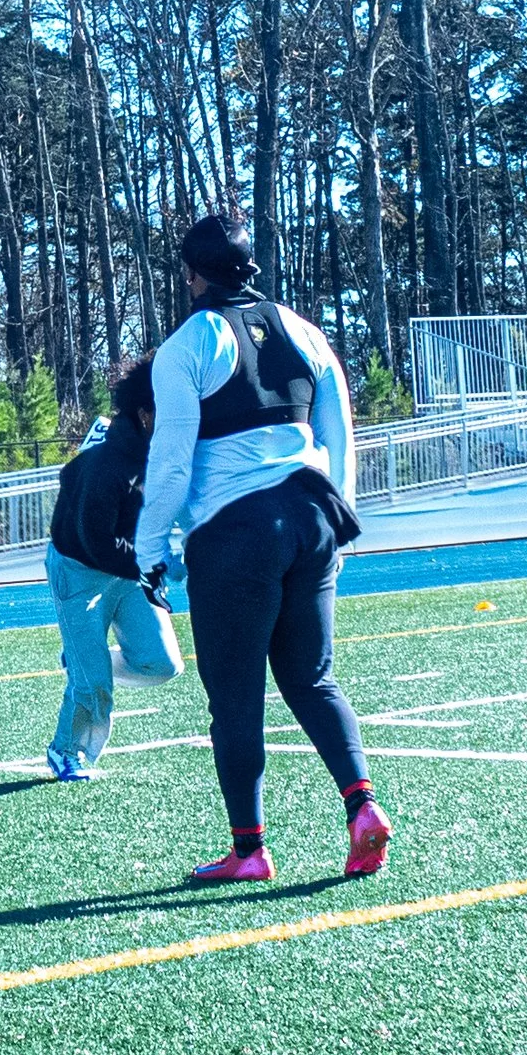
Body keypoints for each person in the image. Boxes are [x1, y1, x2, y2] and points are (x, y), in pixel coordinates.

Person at [136, 213, 392, 886]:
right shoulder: (303, 329)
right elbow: (340, 428)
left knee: (237, 697)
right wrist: (343, 512)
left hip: (238, 530)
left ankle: (249, 850)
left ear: (190, 275)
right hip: (312, 513)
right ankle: (361, 805)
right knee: (312, 678)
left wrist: (147, 549)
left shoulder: (187, 346)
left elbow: (169, 465)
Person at [42, 360, 183, 780]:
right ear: (145, 413)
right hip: (80, 572)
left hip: (123, 568)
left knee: (162, 663)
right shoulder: (108, 465)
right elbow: (95, 539)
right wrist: (151, 566)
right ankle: (68, 750)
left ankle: (85, 660)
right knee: (92, 686)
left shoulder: (159, 451)